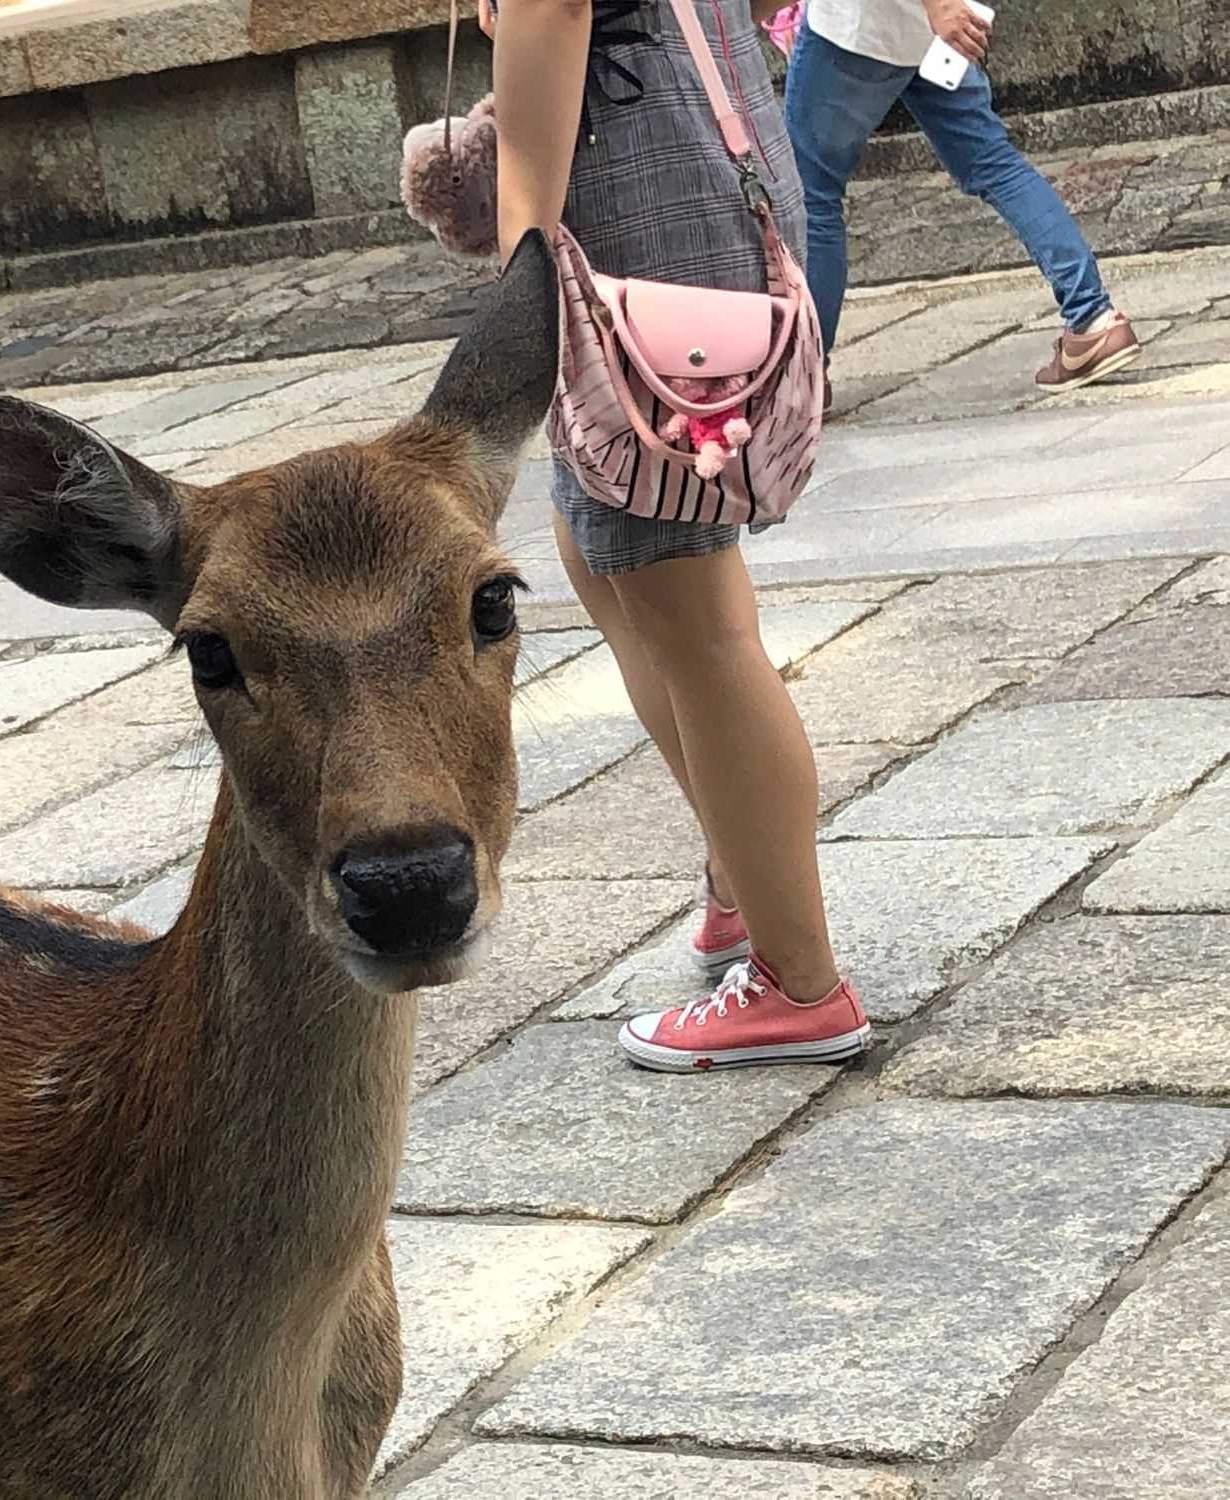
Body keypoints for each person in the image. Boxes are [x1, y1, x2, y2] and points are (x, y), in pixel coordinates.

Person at [484, 0, 869, 1071]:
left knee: (689, 612)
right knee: (597, 551)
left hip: (638, 206)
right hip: (693, 153)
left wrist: (519, 254)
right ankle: (744, 873)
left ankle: (798, 983)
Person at [781, 0, 1142, 393]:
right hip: (935, 32)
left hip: (863, 29)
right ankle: (1093, 319)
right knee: (993, 162)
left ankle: (806, 381)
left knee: (811, 194)